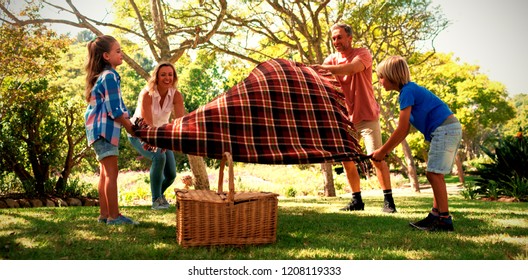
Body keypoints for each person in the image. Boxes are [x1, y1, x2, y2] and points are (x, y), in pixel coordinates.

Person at [372, 55, 462, 231]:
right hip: (448, 129)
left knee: (433, 174)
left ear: (391, 76)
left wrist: (382, 151)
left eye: (381, 77)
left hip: (444, 129)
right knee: (435, 174)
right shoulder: (409, 91)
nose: (379, 81)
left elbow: (401, 128)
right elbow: (404, 131)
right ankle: (435, 215)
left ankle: (444, 219)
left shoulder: (407, 92)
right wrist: (384, 150)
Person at [314, 23, 396, 213]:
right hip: (344, 119)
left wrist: (323, 68)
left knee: (376, 157)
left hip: (366, 116)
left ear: (350, 38)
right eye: (333, 38)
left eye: (339, 37)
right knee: (347, 160)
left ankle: (388, 201)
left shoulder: (362, 53)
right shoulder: (331, 60)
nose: (336, 42)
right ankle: (356, 201)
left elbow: (351, 69)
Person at [84, 35, 139, 225]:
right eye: (118, 51)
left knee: (105, 173)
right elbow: (115, 110)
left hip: (97, 131)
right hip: (104, 130)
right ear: (106, 56)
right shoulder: (110, 76)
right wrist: (131, 129)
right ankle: (114, 217)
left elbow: (117, 108)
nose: (121, 54)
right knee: (111, 173)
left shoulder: (103, 77)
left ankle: (104, 215)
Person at [128, 62, 185, 210]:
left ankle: (160, 196)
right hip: (140, 133)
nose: (167, 78)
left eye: (170, 75)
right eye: (163, 75)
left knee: (171, 174)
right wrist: (161, 143)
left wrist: (178, 138)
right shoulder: (147, 93)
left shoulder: (176, 95)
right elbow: (148, 123)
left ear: (174, 77)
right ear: (157, 77)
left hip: (161, 135)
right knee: (159, 157)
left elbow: (180, 121)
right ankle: (155, 201)